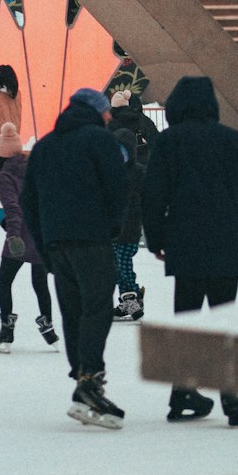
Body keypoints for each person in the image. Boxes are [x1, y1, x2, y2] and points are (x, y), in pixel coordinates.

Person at [143, 75, 238, 428]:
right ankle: (234, 396)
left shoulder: (168, 143)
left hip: (182, 242)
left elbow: (152, 196)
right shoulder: (233, 140)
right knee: (225, 317)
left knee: (188, 314)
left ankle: (183, 392)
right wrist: (230, 202)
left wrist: (156, 240)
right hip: (223, 239)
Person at [22, 88, 127, 429]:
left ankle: (83, 380)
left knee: (72, 312)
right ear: (96, 111)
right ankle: (90, 382)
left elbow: (29, 202)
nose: (110, 116)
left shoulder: (45, 146)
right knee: (97, 308)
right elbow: (117, 189)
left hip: (56, 245)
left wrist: (45, 244)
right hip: (91, 240)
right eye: (106, 111)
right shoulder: (100, 140)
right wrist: (111, 227)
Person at [0, 122, 58, 351]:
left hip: (19, 236)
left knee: (3, 280)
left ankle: (7, 330)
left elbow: (13, 209)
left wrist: (13, 235)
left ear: (0, 155)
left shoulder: (5, 177)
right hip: (39, 233)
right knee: (40, 282)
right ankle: (48, 326)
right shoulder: (33, 168)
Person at [107, 116, 147, 323]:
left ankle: (132, 300)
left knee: (122, 265)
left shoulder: (138, 173)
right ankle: (129, 300)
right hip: (113, 230)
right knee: (117, 266)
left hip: (130, 229)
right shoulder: (110, 172)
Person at [108, 87, 159, 166]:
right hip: (141, 161)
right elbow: (155, 138)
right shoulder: (141, 119)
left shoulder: (108, 121)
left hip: (115, 163)